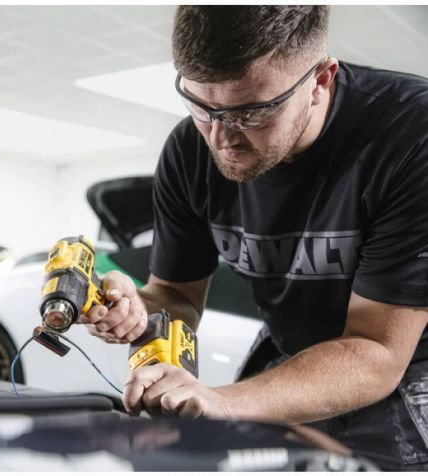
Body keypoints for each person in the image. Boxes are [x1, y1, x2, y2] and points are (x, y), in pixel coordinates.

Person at [77, 5, 428, 471]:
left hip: (405, 366)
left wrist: (225, 402)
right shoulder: (189, 150)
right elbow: (177, 296)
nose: (221, 138)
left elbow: (377, 351)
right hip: (295, 351)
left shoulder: (411, 134)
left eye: (251, 113)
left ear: (320, 80)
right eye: (201, 107)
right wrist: (138, 310)